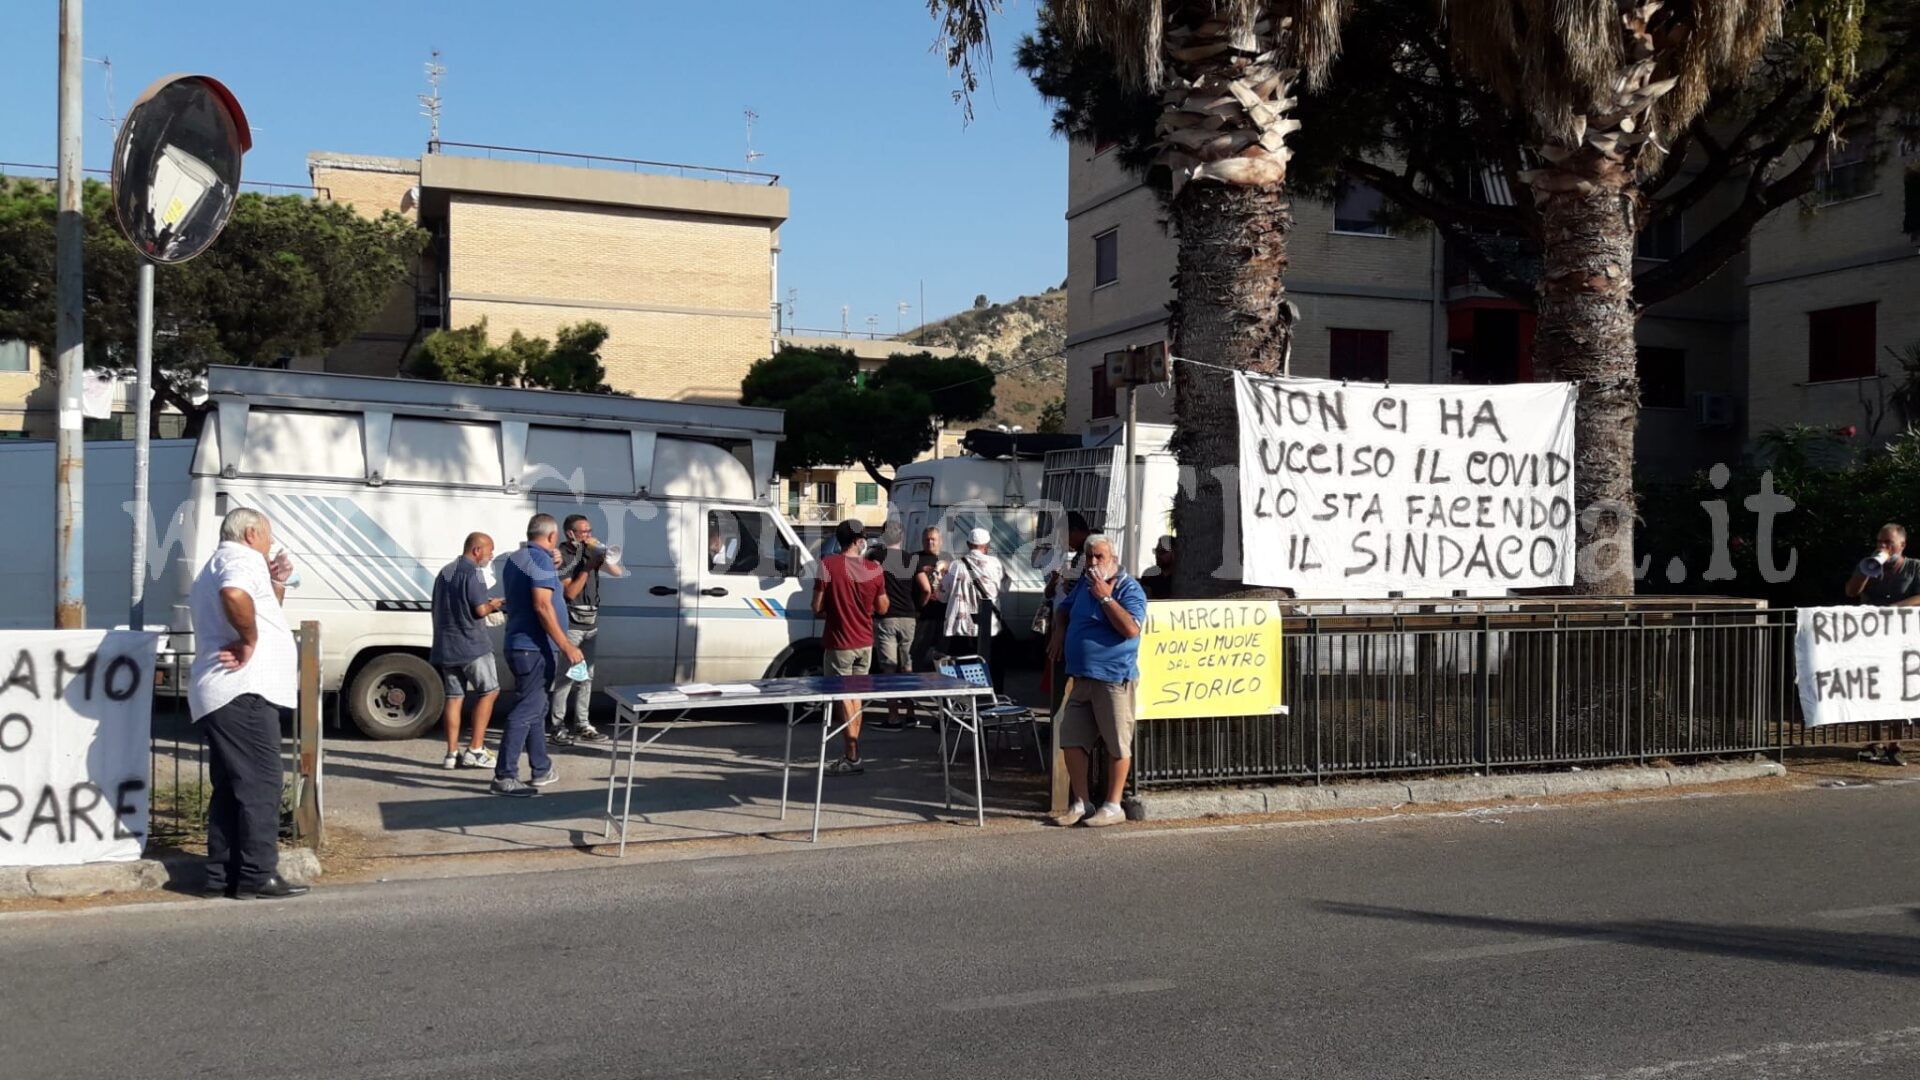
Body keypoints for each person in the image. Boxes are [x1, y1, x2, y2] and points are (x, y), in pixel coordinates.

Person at [187, 507, 307, 899]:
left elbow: (258, 608)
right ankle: (257, 874)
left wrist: (277, 582)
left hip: (224, 693)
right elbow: (235, 594)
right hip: (245, 692)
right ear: (253, 532)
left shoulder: (220, 562)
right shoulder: (241, 559)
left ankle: (222, 876)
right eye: (269, 536)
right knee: (261, 786)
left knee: (231, 787)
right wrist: (249, 640)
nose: (271, 544)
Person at [1046, 534, 1148, 828]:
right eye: (1089, 556)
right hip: (1081, 677)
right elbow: (1064, 610)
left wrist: (1105, 596)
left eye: (1098, 557)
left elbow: (1131, 629)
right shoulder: (1082, 586)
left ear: (1112, 558)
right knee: (1071, 740)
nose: (1092, 562)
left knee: (1117, 743)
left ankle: (1114, 805)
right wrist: (1059, 631)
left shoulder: (1129, 588)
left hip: (1114, 678)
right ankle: (1082, 802)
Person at [495, 514, 583, 797]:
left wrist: (553, 560)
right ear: (552, 536)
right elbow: (543, 606)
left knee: (536, 709)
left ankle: (541, 768)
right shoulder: (540, 560)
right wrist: (567, 645)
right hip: (535, 647)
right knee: (526, 710)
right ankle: (504, 776)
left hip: (520, 644)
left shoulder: (517, 558)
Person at [813, 518, 888, 773]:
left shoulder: (827, 565)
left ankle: (852, 755)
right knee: (854, 698)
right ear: (859, 541)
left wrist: (834, 612)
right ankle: (853, 753)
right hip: (864, 641)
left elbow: (816, 607)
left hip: (839, 641)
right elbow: (882, 607)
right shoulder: (874, 569)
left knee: (844, 698)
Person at [547, 514, 626, 747]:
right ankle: (557, 725)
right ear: (570, 534)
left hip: (590, 621)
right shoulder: (561, 555)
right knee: (566, 677)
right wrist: (587, 566)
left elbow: (618, 572)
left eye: (590, 531)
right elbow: (569, 593)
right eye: (584, 532)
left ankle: (582, 723)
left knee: (586, 676)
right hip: (571, 623)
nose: (588, 535)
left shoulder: (590, 552)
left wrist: (601, 555)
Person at [1845, 522, 1920, 765]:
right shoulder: (1870, 565)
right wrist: (1866, 570)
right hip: (1873, 638)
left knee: (1898, 690)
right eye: (1879, 541)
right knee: (1873, 688)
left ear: (1902, 545)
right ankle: (1873, 743)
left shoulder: (1914, 567)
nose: (1883, 546)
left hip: (1903, 638)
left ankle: (1894, 745)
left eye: (1888, 542)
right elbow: (1851, 591)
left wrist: (1896, 608)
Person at [432, 532, 505, 770]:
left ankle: (451, 754)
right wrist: (493, 604)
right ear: (476, 550)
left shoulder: (445, 572)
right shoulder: (473, 573)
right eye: (489, 550)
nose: (491, 555)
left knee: (454, 699)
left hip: (446, 646)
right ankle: (475, 749)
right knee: (490, 691)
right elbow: (480, 610)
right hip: (472, 645)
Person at [867, 520, 919, 729]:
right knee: (907, 667)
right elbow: (924, 587)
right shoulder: (911, 559)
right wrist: (918, 606)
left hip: (886, 617)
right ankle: (912, 714)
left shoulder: (876, 557)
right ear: (902, 536)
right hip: (909, 616)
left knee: (889, 667)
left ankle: (893, 716)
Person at [940, 527, 1006, 664]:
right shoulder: (995, 564)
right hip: (990, 627)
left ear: (968, 544)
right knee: (990, 669)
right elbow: (1005, 588)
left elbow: (942, 595)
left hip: (961, 629)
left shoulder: (956, 566)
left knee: (963, 670)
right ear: (987, 545)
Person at [910, 525, 949, 672]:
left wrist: (946, 565)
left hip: (943, 613)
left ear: (940, 541)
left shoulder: (946, 558)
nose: (930, 543)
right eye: (926, 540)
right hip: (922, 614)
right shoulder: (915, 558)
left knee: (942, 654)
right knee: (917, 651)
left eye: (933, 539)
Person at [1141, 534, 1177, 600]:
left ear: (1174, 553)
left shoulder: (1180, 575)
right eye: (1157, 551)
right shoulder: (1150, 574)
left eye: (1163, 552)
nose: (1158, 555)